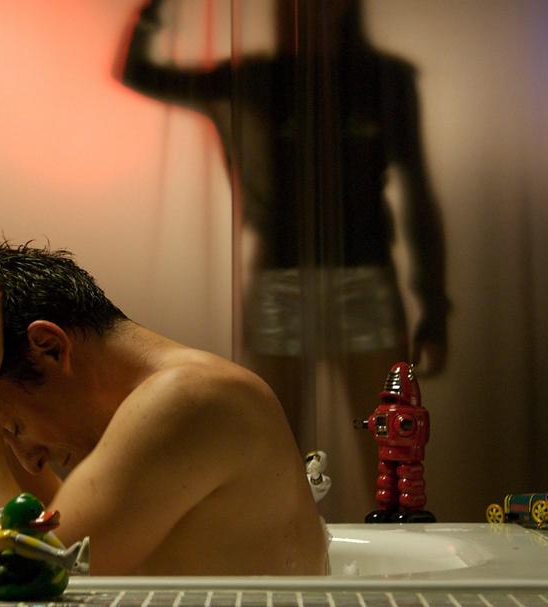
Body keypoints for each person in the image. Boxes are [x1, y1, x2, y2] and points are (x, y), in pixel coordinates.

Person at [117, 0, 449, 522]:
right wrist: (155, 11)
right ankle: (287, 557)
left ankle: (393, 558)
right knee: (277, 449)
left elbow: (418, 192)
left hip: (362, 279)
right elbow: (139, 74)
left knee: (391, 450)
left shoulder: (383, 79)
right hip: (283, 282)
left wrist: (435, 305)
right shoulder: (258, 79)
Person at [0, 241, 327, 576]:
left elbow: (18, 580)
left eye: (15, 428)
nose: (30, 462)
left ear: (50, 348)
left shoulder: (192, 399)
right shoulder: (186, 396)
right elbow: (42, 528)